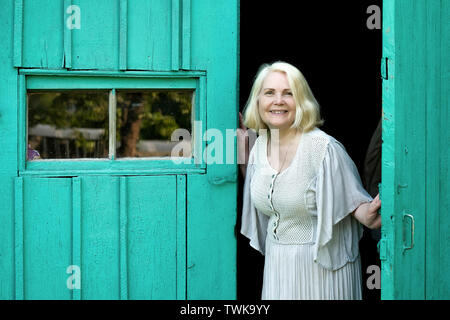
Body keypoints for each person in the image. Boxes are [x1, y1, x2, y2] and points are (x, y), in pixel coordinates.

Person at [237, 61, 381, 300]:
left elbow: (357, 206)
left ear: (301, 101)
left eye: (288, 93)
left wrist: (372, 212)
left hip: (321, 270)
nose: (278, 100)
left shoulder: (322, 148)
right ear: (258, 101)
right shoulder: (259, 147)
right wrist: (244, 158)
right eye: (269, 93)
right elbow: (267, 194)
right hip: (278, 267)